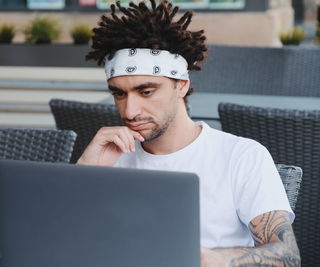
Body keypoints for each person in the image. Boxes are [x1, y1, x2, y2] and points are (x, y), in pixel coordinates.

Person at [78, 0, 301, 266]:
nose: (130, 111)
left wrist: (208, 259)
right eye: (119, 94)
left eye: (146, 91)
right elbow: (60, 244)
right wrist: (82, 173)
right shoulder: (106, 159)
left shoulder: (241, 156)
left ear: (181, 86)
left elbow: (287, 256)